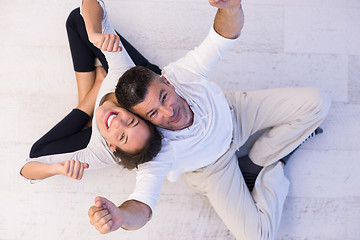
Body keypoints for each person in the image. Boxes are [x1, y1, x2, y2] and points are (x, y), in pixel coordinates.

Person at [84, 0, 331, 239]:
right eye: (153, 114)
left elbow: (222, 35)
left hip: (235, 113)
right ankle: (275, 167)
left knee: (318, 102)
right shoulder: (158, 151)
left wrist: (232, 7)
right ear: (144, 120)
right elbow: (143, 204)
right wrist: (122, 218)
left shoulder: (183, 73)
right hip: (213, 168)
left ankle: (256, 161)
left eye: (163, 97)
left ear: (167, 82)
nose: (168, 112)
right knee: (259, 236)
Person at [20, 7, 163, 181]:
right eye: (131, 121)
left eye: (122, 136)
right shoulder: (127, 80)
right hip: (139, 76)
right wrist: (95, 34)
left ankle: (95, 92)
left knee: (39, 151)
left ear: (112, 146)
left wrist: (56, 169)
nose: (118, 123)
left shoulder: (100, 153)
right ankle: (97, 91)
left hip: (101, 132)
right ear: (137, 114)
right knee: (77, 20)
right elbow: (89, 7)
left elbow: (28, 166)